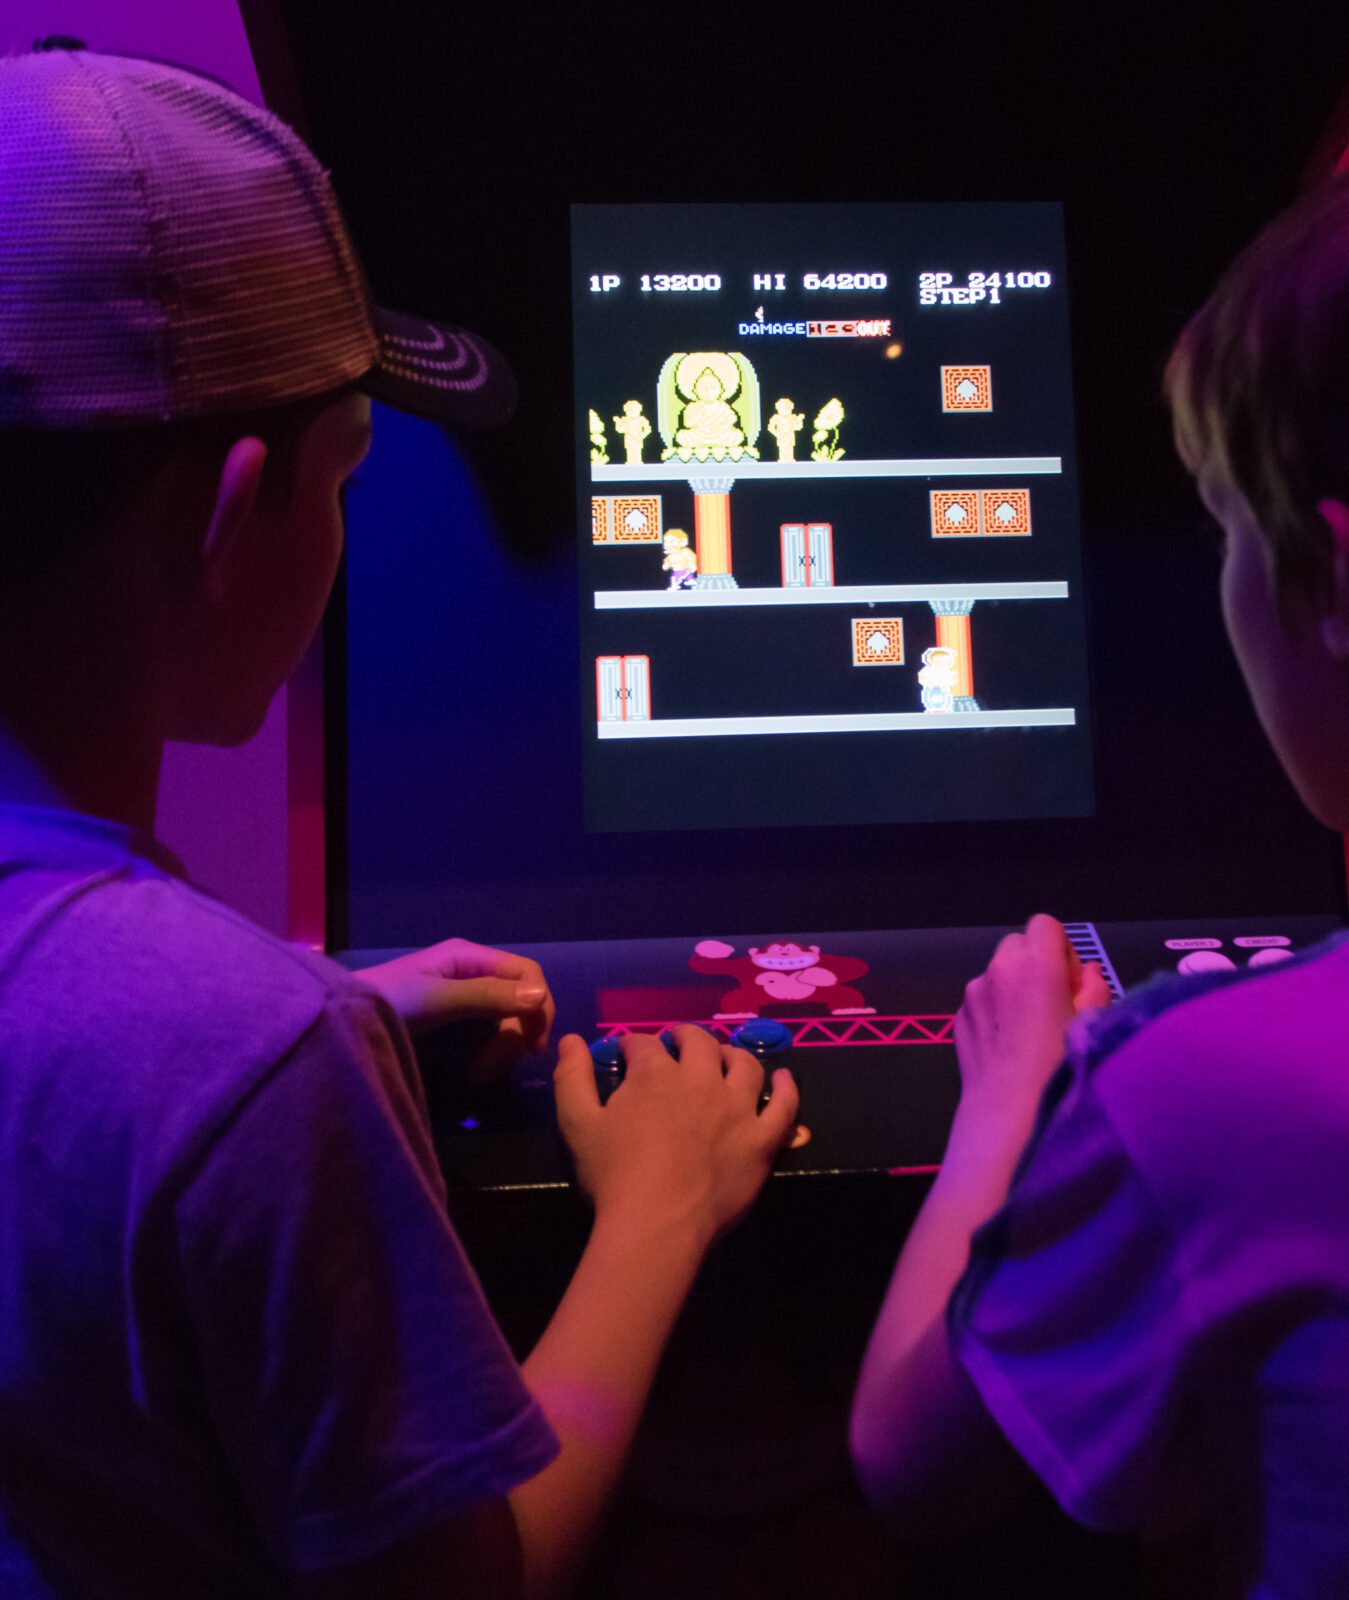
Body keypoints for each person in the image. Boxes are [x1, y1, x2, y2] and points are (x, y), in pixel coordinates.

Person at [0, 42, 799, 1600]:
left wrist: (323, 1012)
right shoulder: (250, 1058)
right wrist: (660, 1204)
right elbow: (476, 1581)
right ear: (231, 516)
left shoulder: (209, 1045)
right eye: (349, 473)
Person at [850, 94, 1349, 1598]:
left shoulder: (1210, 1082)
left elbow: (910, 1456)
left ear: (1329, 579)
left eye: (1223, 531)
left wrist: (1010, 1095)